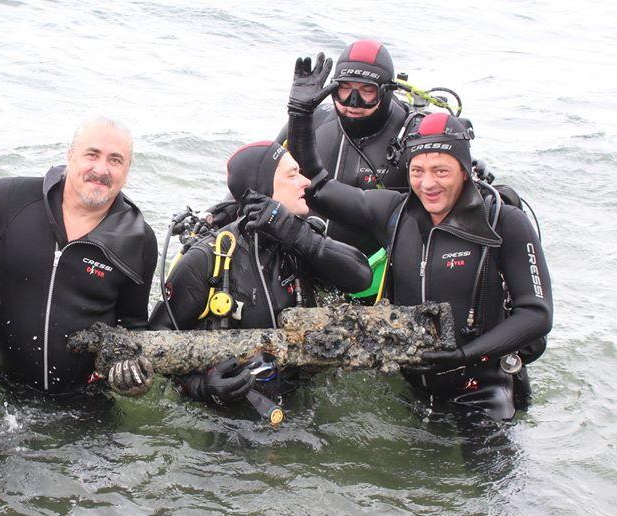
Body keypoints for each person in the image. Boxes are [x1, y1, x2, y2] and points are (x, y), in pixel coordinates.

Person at [286, 53, 553, 420]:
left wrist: (464, 356)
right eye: (418, 170)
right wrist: (300, 116)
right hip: (414, 387)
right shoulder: (393, 212)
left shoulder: (504, 223)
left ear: (464, 170)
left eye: (441, 170)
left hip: (482, 390)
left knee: (490, 480)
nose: (428, 184)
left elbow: (536, 315)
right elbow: (316, 184)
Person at [141, 141, 372, 406]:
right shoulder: (209, 257)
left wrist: (298, 235)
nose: (306, 181)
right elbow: (157, 339)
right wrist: (199, 387)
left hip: (302, 397)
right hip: (232, 412)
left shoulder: (301, 240)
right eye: (292, 174)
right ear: (261, 189)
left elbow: (361, 278)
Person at [0, 117, 158, 395]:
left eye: (115, 160)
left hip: (86, 399)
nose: (101, 169)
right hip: (7, 389)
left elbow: (132, 324)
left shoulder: (138, 238)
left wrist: (134, 375)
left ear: (127, 170)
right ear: (70, 156)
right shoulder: (13, 198)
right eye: (92, 155)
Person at [274, 40, 416, 259]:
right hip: (300, 258)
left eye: (367, 91)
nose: (353, 102)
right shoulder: (312, 119)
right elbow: (261, 170)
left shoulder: (412, 135)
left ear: (386, 92)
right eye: (344, 89)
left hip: (371, 278)